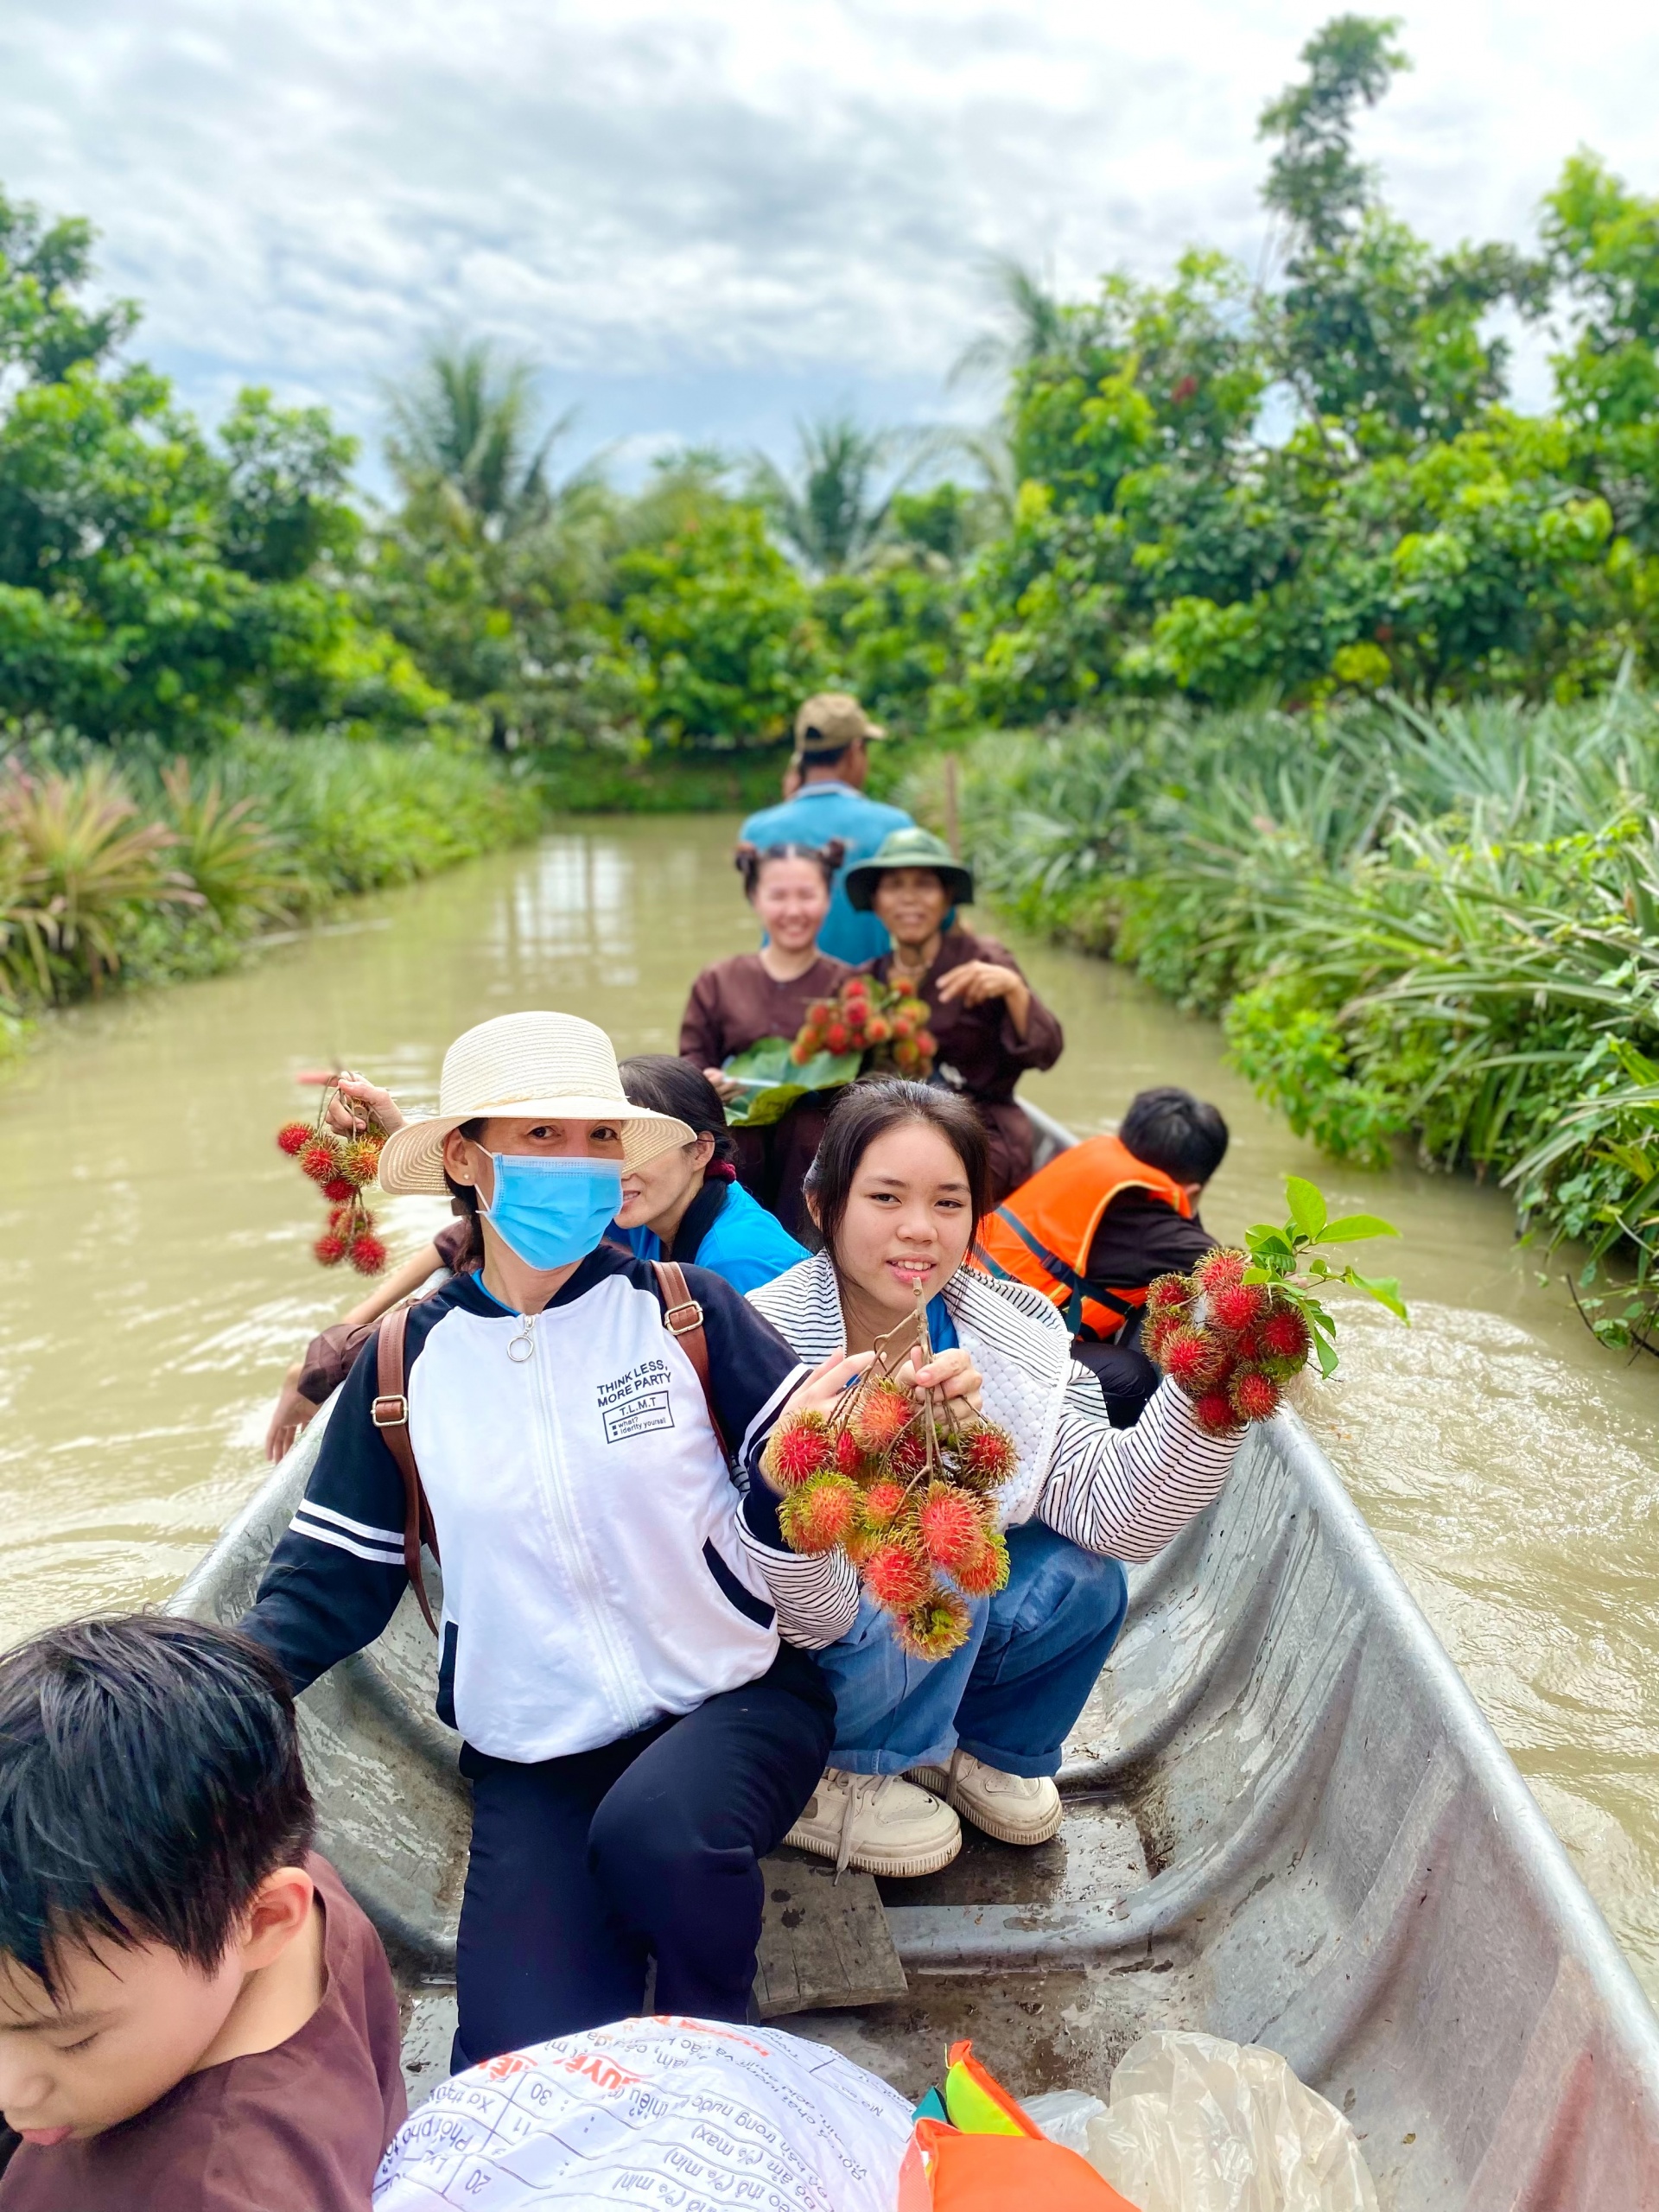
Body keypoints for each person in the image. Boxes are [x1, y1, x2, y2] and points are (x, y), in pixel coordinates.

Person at [234, 1009, 884, 2069]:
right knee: (508, 2068)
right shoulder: (403, 1366)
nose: (578, 1165)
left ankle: (720, 2035)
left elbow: (791, 1504)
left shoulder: (688, 1312)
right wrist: (204, 1684)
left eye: (595, 1139)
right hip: (538, 1754)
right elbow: (326, 1585)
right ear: (463, 1156)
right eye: (541, 1138)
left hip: (738, 1697)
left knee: (660, 1836)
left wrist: (831, 1451)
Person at [746, 1081, 1243, 1880]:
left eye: (949, 1203)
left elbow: (1118, 1517)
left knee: (1083, 1572)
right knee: (946, 1538)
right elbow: (763, 1586)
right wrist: (886, 1458)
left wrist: (1207, 1392)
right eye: (884, 1197)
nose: (919, 1230)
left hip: (925, 1627)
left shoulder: (1021, 1332)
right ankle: (835, 1772)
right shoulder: (760, 1335)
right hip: (794, 1644)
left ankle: (963, 1743)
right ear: (820, 1201)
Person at [0, 1614, 405, 2211]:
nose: (11, 2093)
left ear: (263, 1922)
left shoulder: (223, 2189)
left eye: (75, 2041)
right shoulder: (253, 1884)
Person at [976, 1088, 1226, 1428]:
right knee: (1132, 1379)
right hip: (993, 1351)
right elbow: (1230, 1269)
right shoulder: (1156, 1231)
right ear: (1194, 1191)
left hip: (962, 1306)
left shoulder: (1093, 1159)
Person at [843, 826, 1065, 1203]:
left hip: (981, 1132)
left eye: (924, 885)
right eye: (895, 886)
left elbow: (1046, 1053)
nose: (909, 899)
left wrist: (1014, 990)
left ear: (947, 900)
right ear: (877, 902)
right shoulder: (867, 981)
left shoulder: (986, 961)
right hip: (893, 1128)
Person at [680, 842, 853, 1238]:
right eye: (778, 896)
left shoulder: (853, 988)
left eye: (807, 895)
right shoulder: (718, 981)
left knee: (813, 1132)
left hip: (820, 1148)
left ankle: (816, 1256)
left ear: (827, 898)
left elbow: (876, 1075)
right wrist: (706, 1081)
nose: (793, 911)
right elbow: (689, 1060)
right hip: (742, 1134)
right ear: (755, 898)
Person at [613, 1056, 809, 1294]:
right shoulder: (658, 1202)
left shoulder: (731, 1263)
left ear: (700, 1150)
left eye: (643, 1148)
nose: (618, 1169)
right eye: (605, 1141)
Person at [740, 695, 912, 964]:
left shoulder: (757, 830)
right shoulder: (895, 826)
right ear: (855, 752)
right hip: (864, 994)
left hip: (779, 990)